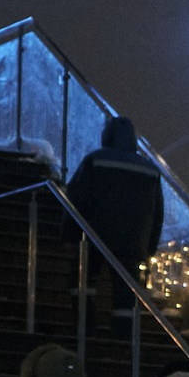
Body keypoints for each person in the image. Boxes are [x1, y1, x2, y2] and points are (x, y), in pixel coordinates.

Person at [65, 116, 166, 278]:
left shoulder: (94, 161)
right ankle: (124, 303)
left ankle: (85, 303)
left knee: (82, 279)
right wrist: (149, 248)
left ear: (107, 135)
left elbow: (76, 197)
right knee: (126, 289)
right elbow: (158, 213)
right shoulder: (150, 171)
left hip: (95, 235)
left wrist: (70, 234)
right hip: (133, 242)